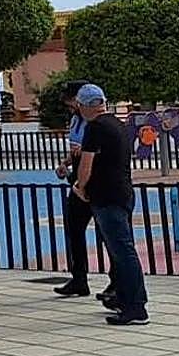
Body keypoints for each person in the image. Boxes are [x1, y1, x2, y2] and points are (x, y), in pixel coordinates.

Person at [72, 84, 148, 326]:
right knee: (123, 249)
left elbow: (86, 164)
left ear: (85, 106)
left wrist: (80, 187)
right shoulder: (119, 125)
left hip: (106, 195)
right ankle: (125, 298)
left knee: (122, 251)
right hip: (124, 191)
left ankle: (135, 305)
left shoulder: (94, 128)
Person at [53, 79, 114, 300]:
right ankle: (79, 278)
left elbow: (91, 153)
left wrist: (82, 182)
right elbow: (77, 149)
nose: (70, 106)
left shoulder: (96, 123)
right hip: (78, 175)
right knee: (74, 228)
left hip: (93, 178)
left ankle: (115, 280)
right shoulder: (76, 121)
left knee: (107, 232)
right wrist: (66, 163)